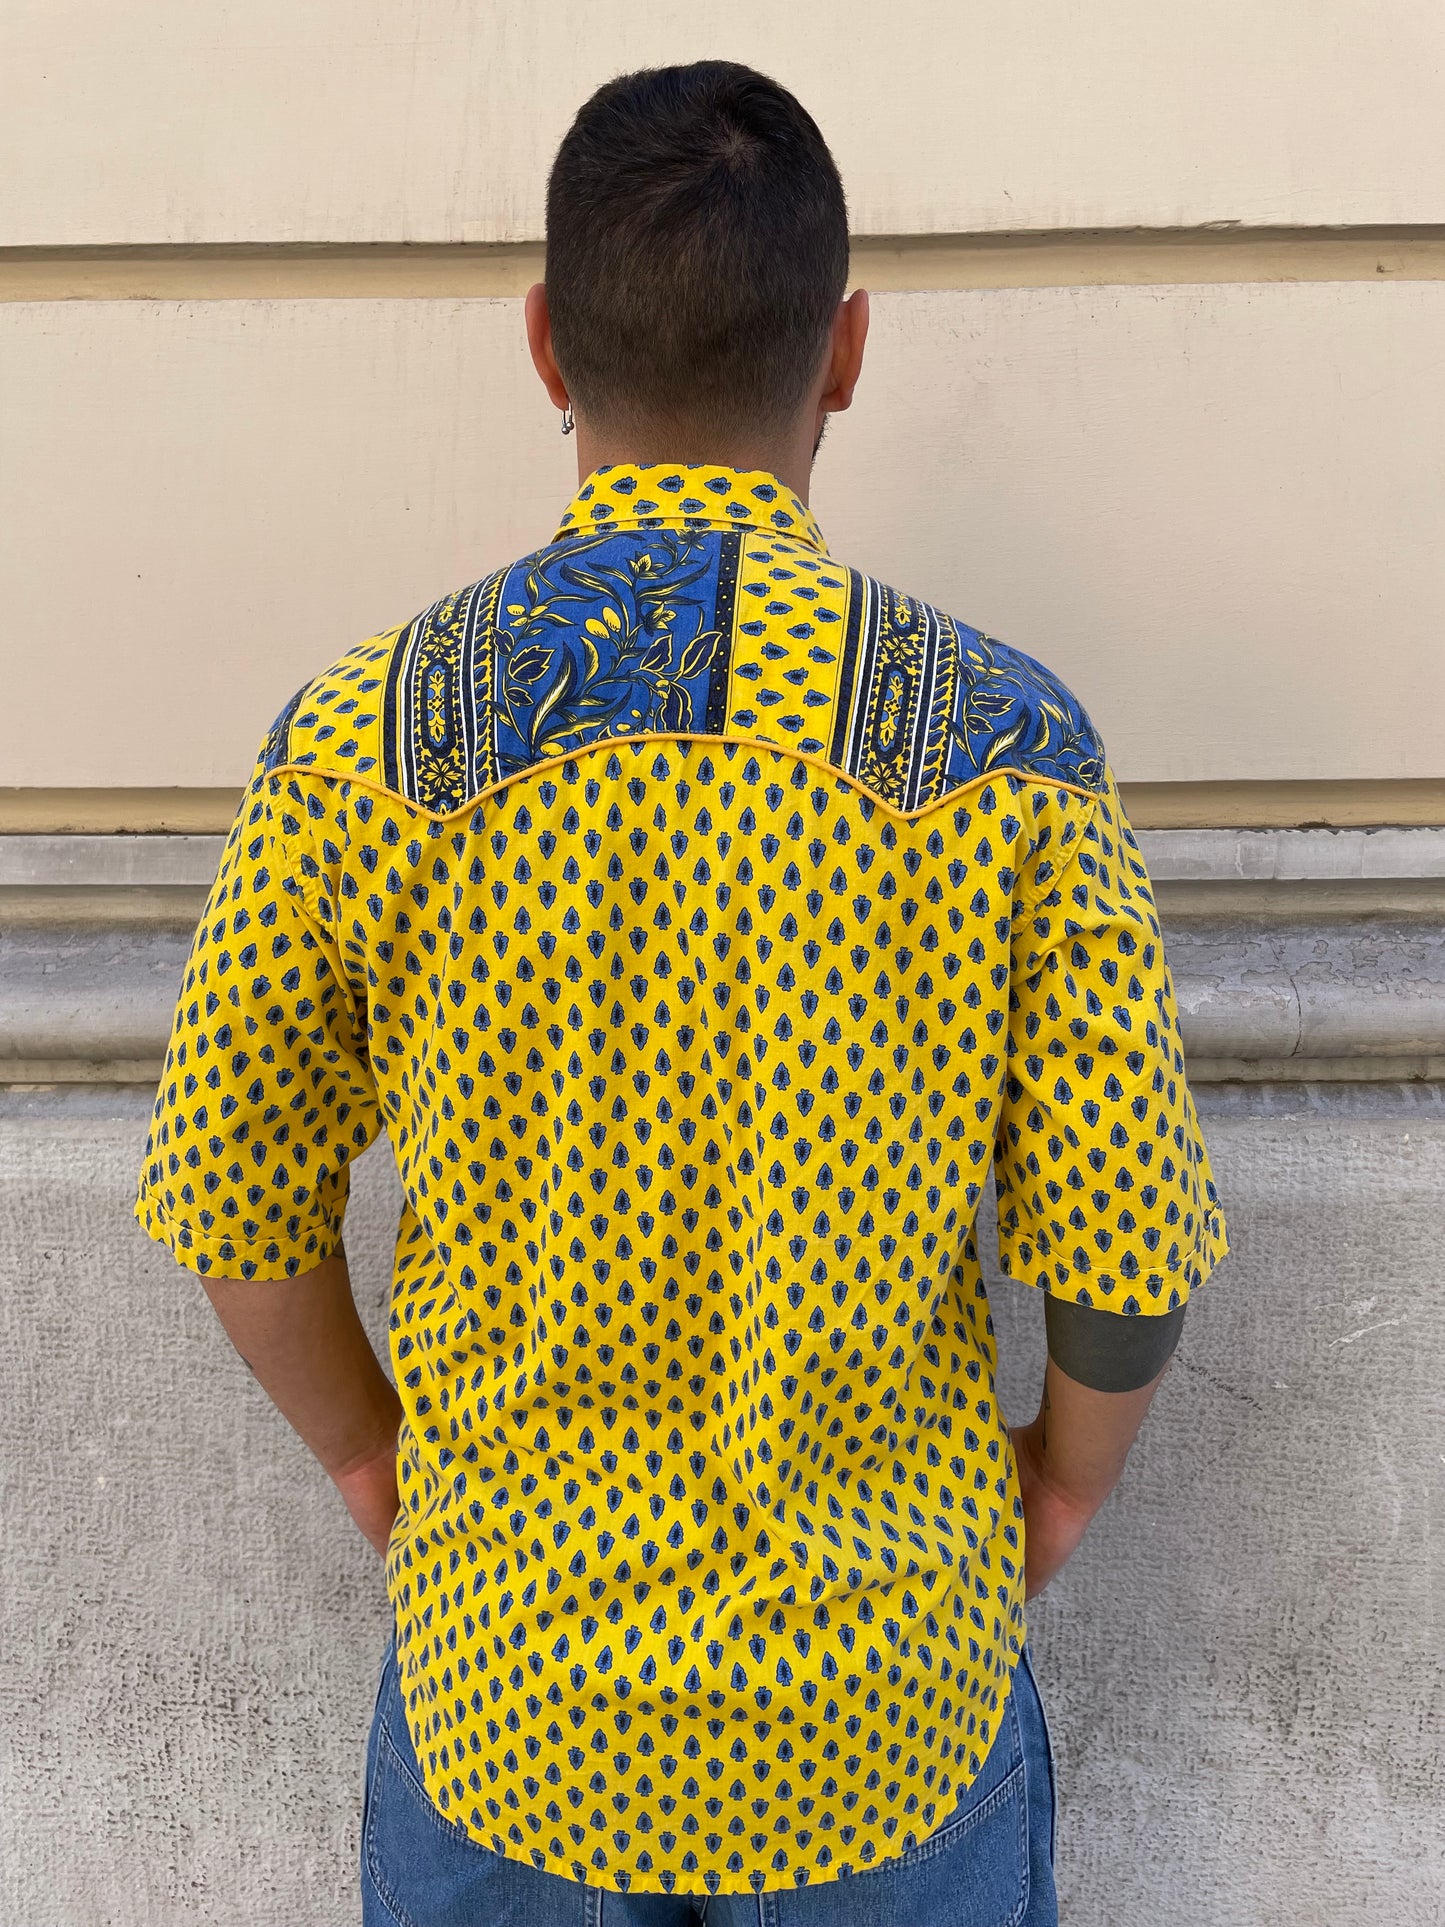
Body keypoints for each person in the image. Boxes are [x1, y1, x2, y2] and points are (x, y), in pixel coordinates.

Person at [136, 59, 1227, 1926]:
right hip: (886, 1708)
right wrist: (1059, 1495)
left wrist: (359, 1455)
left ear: (547, 347)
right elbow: (1124, 1248)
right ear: (850, 347)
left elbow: (236, 1210)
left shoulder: (361, 746)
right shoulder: (1008, 745)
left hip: (510, 1703)